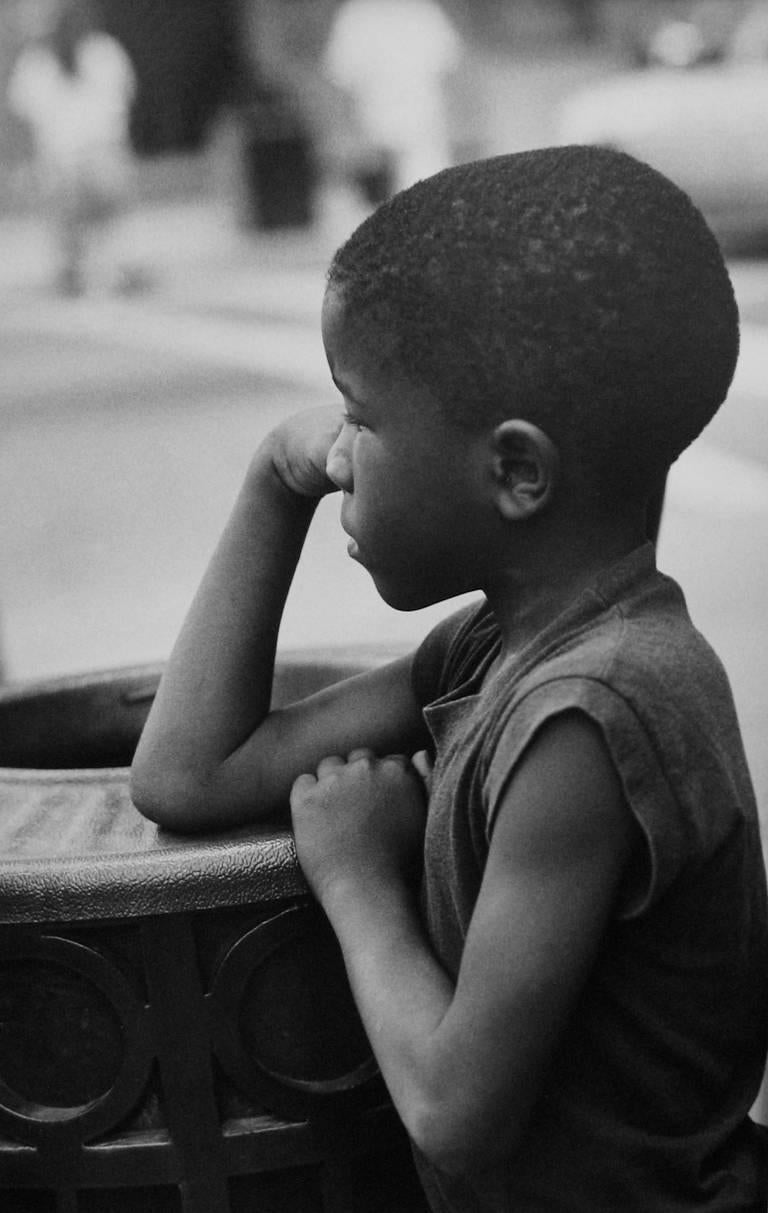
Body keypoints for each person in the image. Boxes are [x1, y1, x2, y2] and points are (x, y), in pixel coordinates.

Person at [130, 146, 768, 1212]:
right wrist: (269, 486)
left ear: (517, 471)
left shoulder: (592, 713)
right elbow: (188, 777)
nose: (337, 454)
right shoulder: (499, 646)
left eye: (361, 418)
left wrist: (360, 878)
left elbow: (459, 1119)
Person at [7, 0, 137, 295]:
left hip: (99, 164)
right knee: (65, 176)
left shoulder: (102, 53)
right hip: (62, 170)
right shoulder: (36, 63)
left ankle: (99, 260)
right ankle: (77, 262)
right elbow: (23, 126)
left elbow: (119, 117)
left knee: (90, 171)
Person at [323, 0, 460, 202]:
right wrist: (348, 135)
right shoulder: (356, 15)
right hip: (375, 139)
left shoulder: (424, 11)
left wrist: (451, 126)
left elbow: (449, 72)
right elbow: (340, 81)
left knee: (431, 209)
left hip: (424, 137)